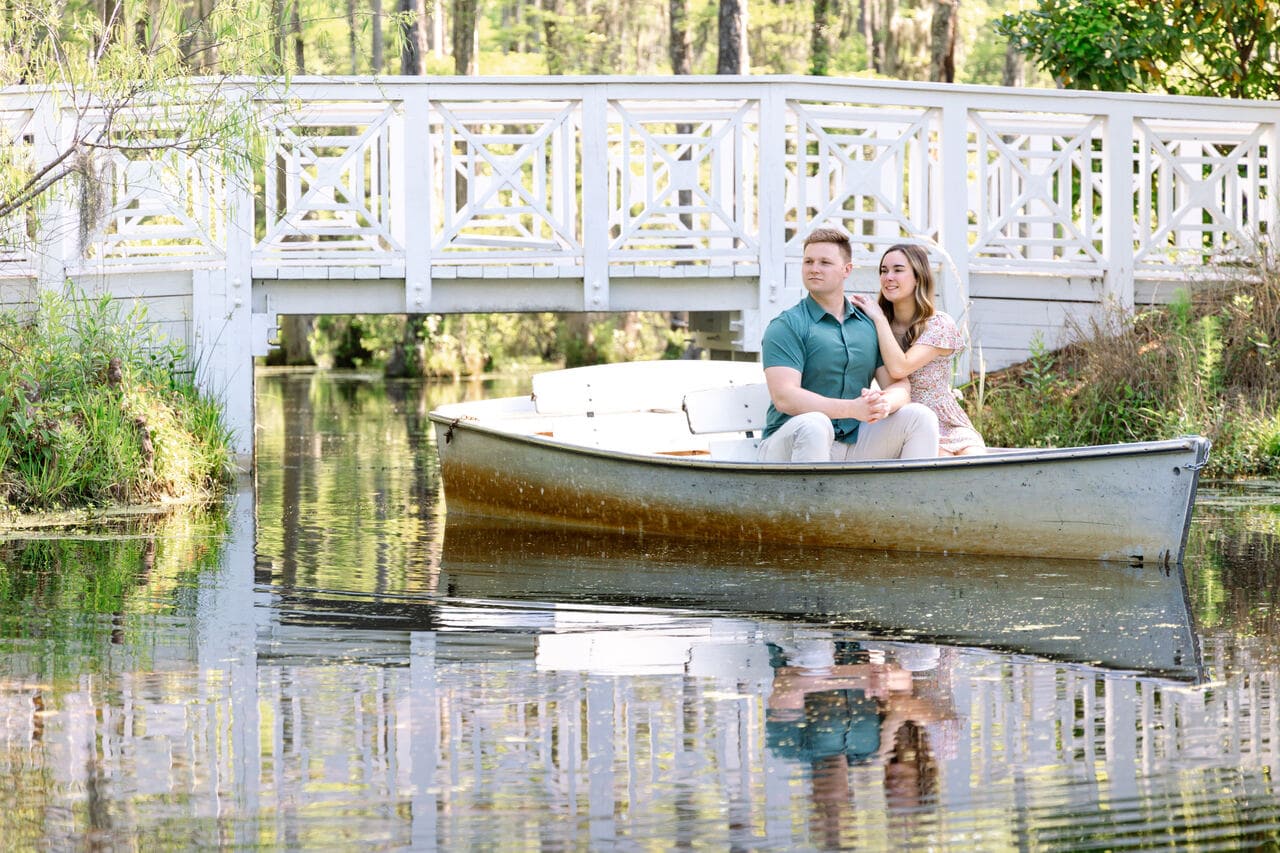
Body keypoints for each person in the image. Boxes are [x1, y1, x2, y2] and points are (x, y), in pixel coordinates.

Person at [756, 228, 940, 463]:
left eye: (825, 262)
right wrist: (852, 409)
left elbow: (898, 385)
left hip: (851, 441)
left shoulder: (866, 325)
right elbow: (785, 397)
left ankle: (910, 499)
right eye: (808, 261)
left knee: (920, 416)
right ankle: (810, 501)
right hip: (789, 447)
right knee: (815, 423)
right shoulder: (787, 325)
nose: (814, 268)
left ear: (847, 270)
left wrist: (883, 403)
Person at [850, 244, 986, 456]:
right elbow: (895, 374)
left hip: (947, 421)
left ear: (918, 277)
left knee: (974, 461)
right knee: (940, 462)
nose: (888, 277)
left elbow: (900, 367)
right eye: (884, 271)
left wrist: (878, 318)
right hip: (903, 420)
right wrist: (878, 319)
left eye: (898, 270)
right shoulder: (874, 325)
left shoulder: (939, 325)